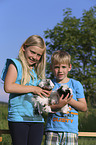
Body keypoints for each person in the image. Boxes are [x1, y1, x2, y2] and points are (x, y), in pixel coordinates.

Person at [1, 35, 51, 145]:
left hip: (37, 120)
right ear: (24, 48)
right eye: (32, 52)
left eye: (39, 55)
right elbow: (8, 87)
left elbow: (39, 93)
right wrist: (33, 89)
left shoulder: (38, 72)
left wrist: (46, 93)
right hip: (19, 119)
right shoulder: (15, 65)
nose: (35, 57)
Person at [44, 50, 87, 145]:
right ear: (51, 67)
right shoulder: (49, 84)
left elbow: (84, 107)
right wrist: (59, 105)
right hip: (52, 130)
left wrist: (69, 100)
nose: (60, 70)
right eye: (56, 67)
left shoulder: (76, 84)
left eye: (63, 67)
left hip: (70, 131)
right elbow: (45, 106)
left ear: (69, 67)